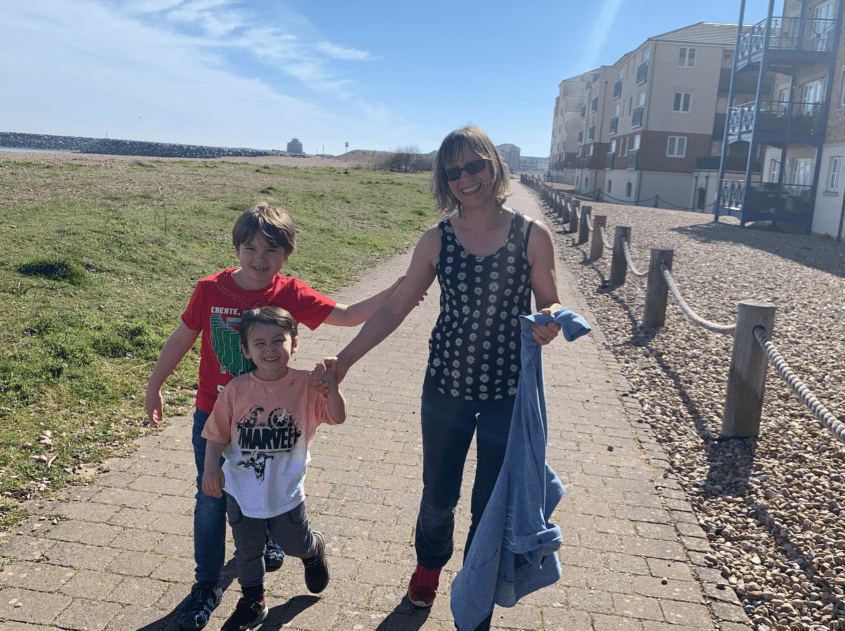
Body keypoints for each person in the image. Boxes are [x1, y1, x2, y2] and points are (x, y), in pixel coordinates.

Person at [333, 126, 564, 631]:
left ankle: (475, 591)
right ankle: (427, 570)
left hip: (508, 392)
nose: (466, 178)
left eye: (475, 165)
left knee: (489, 505)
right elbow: (396, 306)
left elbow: (549, 297)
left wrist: (550, 319)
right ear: (444, 179)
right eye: (453, 171)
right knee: (438, 497)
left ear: (493, 166)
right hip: (445, 390)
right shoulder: (436, 239)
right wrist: (345, 359)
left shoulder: (532, 235)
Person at [143, 201, 401, 631]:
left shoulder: (290, 292)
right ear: (237, 248)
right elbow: (184, 335)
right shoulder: (210, 289)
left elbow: (348, 315)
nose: (259, 260)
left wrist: (399, 288)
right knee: (211, 498)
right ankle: (206, 587)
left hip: (268, 422)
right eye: (251, 249)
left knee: (265, 482)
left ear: (286, 255)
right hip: (215, 415)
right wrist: (155, 384)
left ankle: (276, 541)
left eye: (271, 251)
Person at [201, 306, 343, 630]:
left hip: (285, 491)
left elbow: (337, 416)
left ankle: (313, 549)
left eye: (278, 340)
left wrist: (333, 387)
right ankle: (253, 600)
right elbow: (216, 433)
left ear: (295, 343)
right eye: (260, 343)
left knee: (293, 542)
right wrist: (211, 470)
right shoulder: (236, 390)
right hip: (240, 489)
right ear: (245, 349)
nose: (270, 349)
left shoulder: (307, 385)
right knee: (248, 552)